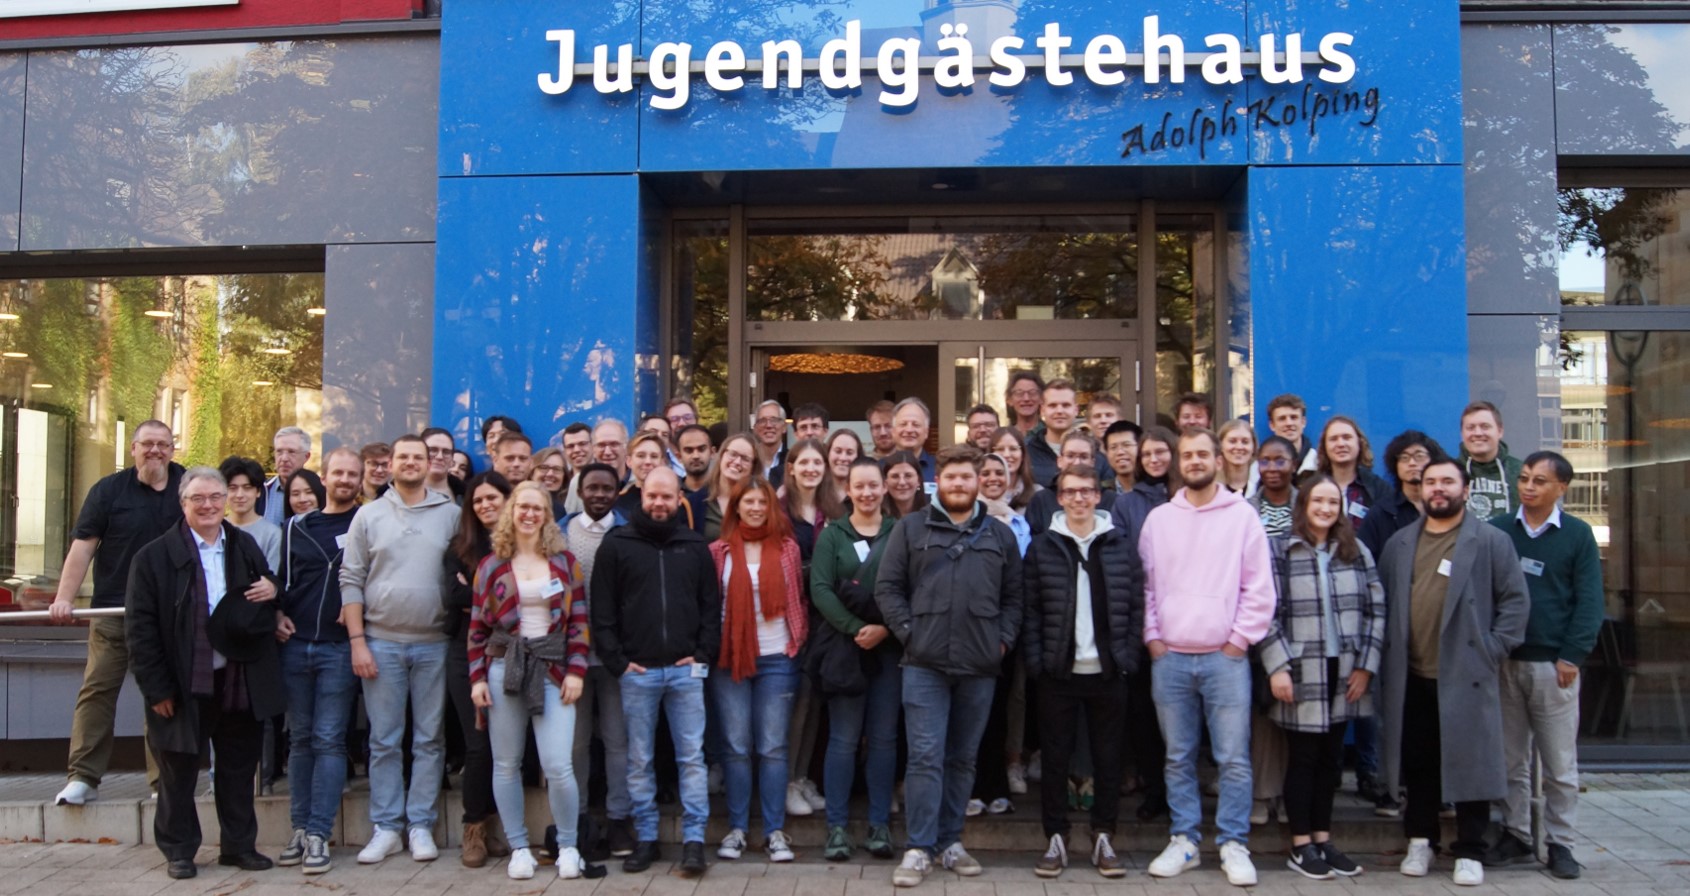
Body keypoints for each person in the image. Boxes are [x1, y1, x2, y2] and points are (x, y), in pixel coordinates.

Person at [875, 446, 1024, 888]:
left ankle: (951, 841)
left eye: (966, 477)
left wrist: (1002, 642)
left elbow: (1014, 599)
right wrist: (909, 633)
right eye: (951, 477)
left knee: (962, 759)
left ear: (979, 480)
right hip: (924, 664)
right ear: (938, 480)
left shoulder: (1000, 536)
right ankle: (919, 848)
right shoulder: (910, 528)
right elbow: (888, 589)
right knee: (925, 757)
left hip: (979, 665)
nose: (959, 484)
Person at [1377, 456, 1529, 887]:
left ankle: (1469, 849)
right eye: (1430, 482)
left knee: (1471, 764)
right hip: (1412, 676)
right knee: (1419, 764)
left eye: (1447, 481)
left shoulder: (1491, 541)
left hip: (1467, 674)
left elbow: (1516, 603)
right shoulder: (1400, 544)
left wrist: (1491, 650)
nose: (1438, 489)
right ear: (1420, 490)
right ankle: (1420, 841)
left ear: (1464, 489)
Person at [126, 466, 282, 880]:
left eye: (216, 496)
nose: (210, 505)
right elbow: (139, 631)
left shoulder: (244, 545)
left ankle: (238, 847)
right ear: (183, 503)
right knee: (177, 771)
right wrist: (155, 687)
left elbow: (265, 593)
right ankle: (179, 850)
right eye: (199, 498)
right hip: (182, 683)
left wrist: (272, 588)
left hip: (237, 679)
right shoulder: (154, 556)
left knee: (237, 768)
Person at [1139, 428, 1275, 887]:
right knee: (1178, 756)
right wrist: (1154, 637)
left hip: (1225, 658)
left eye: (1203, 454)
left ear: (1218, 460)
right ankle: (1185, 840)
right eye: (1187, 455)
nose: (1194, 461)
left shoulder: (1243, 518)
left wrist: (1239, 639)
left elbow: (1259, 588)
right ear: (1179, 462)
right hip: (1171, 657)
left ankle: (1233, 842)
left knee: (1233, 757)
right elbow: (1146, 586)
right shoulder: (1159, 519)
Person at [590, 468, 722, 877]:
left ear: (678, 497)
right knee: (639, 759)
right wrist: (616, 661)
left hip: (686, 671)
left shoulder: (694, 545)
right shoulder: (617, 544)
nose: (659, 504)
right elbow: (602, 609)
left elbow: (709, 607)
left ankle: (695, 841)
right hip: (638, 672)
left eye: (667, 497)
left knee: (691, 759)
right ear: (640, 497)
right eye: (652, 497)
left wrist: (702, 655)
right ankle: (646, 838)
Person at [339, 434, 461, 865]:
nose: (410, 463)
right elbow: (350, 579)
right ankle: (387, 827)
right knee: (384, 741)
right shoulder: (368, 516)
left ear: (431, 464)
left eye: (418, 457)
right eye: (403, 456)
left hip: (435, 645)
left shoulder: (451, 515)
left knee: (430, 740)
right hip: (381, 643)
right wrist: (358, 642)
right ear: (390, 464)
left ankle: (421, 825)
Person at [48, 420, 182, 806]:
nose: (155, 451)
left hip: (167, 615)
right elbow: (83, 548)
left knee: (162, 695)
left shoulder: (186, 488)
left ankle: (163, 783)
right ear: (133, 449)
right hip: (112, 610)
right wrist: (64, 598)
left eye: (163, 444)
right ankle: (82, 778)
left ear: (173, 449)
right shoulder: (108, 491)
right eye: (147, 444)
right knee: (97, 691)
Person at [1259, 475, 1386, 880]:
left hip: (1345, 668)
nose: (1326, 509)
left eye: (1333, 502)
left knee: (1331, 761)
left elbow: (1376, 610)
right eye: (1319, 501)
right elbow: (1266, 612)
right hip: (1300, 669)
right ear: (1304, 504)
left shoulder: (1356, 551)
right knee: (1303, 759)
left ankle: (1323, 838)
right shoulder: (1280, 549)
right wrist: (1277, 666)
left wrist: (1366, 666)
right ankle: (1300, 845)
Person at [1485, 451, 1603, 880]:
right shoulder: (1498, 530)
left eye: (1539, 481)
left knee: (1558, 764)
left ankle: (1561, 843)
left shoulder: (1577, 535)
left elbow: (1590, 601)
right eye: (1525, 479)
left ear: (1561, 488)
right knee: (1511, 760)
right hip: (1506, 664)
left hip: (1555, 667)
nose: (1529, 487)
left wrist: (1572, 655)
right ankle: (1516, 834)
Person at [1023, 464, 1144, 879]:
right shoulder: (1042, 547)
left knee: (1108, 759)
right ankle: (1055, 839)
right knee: (1055, 759)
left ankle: (1103, 835)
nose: (1078, 499)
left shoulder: (1120, 544)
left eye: (1086, 492)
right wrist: (1038, 662)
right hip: (1059, 672)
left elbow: (1135, 605)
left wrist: (1127, 657)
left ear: (1098, 496)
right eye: (1070, 492)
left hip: (1109, 672)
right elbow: (1031, 609)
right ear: (1059, 498)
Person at [468, 482, 593, 880]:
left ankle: (569, 846)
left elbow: (578, 622)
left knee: (558, 764)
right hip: (504, 667)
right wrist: (476, 680)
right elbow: (475, 630)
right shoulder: (491, 565)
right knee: (506, 764)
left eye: (537, 508)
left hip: (555, 667)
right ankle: (519, 847)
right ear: (511, 511)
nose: (529, 514)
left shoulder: (565, 562)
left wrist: (576, 670)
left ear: (546, 514)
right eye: (522, 506)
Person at [274, 447, 365, 875]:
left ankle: (317, 833)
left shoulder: (366, 523)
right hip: (296, 645)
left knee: (329, 738)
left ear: (361, 481)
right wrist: (276, 614)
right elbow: (281, 582)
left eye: (353, 474)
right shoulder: (294, 527)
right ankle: (298, 827)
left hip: (339, 647)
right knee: (301, 738)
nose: (345, 479)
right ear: (323, 478)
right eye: (338, 473)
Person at [707, 477, 808, 862]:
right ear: (735, 508)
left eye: (761, 502)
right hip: (729, 659)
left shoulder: (787, 549)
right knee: (734, 747)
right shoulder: (719, 551)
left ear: (770, 506)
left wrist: (795, 642)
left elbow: (797, 598)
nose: (754, 508)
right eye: (747, 502)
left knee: (772, 747)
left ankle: (774, 831)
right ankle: (736, 829)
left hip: (777, 658)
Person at [810, 457, 900, 862]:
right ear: (848, 490)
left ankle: (880, 824)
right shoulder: (833, 536)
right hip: (846, 650)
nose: (866, 493)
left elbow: (909, 588)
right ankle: (837, 828)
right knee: (843, 741)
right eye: (858, 486)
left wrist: (884, 629)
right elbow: (821, 589)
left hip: (889, 650)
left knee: (883, 739)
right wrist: (854, 628)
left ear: (884, 488)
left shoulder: (901, 533)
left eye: (873, 486)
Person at [1352, 429, 1444, 817]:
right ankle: (1393, 790)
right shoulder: (1382, 513)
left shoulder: (1447, 511)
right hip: (1392, 631)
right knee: (1393, 716)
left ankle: (1442, 793)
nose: (1414, 463)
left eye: (1420, 456)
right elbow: (1367, 570)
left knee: (1439, 718)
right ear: (1395, 465)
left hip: (1439, 634)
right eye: (1405, 457)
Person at [562, 464, 636, 858]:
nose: (599, 494)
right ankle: (576, 822)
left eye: (607, 488)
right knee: (575, 744)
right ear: (581, 489)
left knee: (617, 741)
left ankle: (619, 820)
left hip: (615, 657)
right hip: (570, 655)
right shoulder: (559, 532)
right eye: (592, 487)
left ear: (617, 491)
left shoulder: (627, 531)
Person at [442, 472, 514, 868]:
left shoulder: (522, 542)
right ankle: (474, 830)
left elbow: (519, 597)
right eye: (479, 501)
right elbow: (454, 597)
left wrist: (479, 597)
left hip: (511, 653)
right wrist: (495, 598)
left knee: (505, 747)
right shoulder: (459, 548)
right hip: (464, 653)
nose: (486, 506)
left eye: (493, 498)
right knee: (477, 741)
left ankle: (496, 824)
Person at [1458, 400, 1524, 520]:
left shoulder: (1520, 471)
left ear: (1500, 431)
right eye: (1470, 427)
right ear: (1462, 434)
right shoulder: (1451, 472)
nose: (1477, 433)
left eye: (1485, 426)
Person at [1316, 416, 1390, 521]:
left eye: (1347, 437)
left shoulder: (1378, 488)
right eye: (1333, 439)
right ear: (1324, 447)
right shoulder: (1313, 488)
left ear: (1359, 443)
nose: (1341, 444)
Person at [1026, 430, 1098, 534]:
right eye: (1070, 456)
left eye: (1084, 457)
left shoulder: (1109, 499)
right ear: (1059, 461)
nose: (1077, 462)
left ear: (1092, 462)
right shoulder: (1041, 500)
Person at [221, 456, 282, 570]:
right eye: (232, 488)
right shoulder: (215, 529)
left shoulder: (272, 535)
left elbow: (271, 580)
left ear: (258, 492)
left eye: (247, 488)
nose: (239, 495)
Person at [704, 432, 763, 539]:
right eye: (733, 454)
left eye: (745, 459)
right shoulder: (698, 501)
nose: (737, 462)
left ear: (753, 467)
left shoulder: (760, 504)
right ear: (721, 455)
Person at [1027, 377, 1083, 487]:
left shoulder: (1093, 453)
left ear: (1076, 410)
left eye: (1066, 405)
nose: (1059, 411)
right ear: (1042, 410)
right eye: (1053, 405)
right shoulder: (1027, 454)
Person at [260, 426, 312, 525]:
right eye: (279, 451)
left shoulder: (319, 493)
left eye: (291, 452)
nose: (284, 458)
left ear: (306, 457)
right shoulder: (262, 491)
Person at [1249, 436, 1298, 537]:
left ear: (1294, 465)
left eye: (1280, 462)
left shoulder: (1306, 505)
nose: (1272, 468)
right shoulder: (1247, 509)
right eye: (1264, 462)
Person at [1265, 394, 1319, 474]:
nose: (1289, 423)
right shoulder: (1261, 466)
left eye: (1294, 417)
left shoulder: (1319, 463)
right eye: (1282, 419)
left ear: (1303, 422)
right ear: (1272, 425)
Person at [989, 426, 1038, 508]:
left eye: (1013, 449)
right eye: (1000, 449)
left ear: (1023, 455)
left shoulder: (1038, 494)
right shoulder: (978, 495)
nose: (1007, 455)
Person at [891, 397, 936, 483]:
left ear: (926, 432)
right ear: (893, 431)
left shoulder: (940, 468)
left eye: (916, 424)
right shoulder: (879, 469)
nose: (909, 430)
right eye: (903, 424)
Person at [676, 423, 716, 504]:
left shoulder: (723, 493)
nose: (696, 456)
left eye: (701, 449)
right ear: (679, 457)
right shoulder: (672, 493)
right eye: (688, 450)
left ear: (712, 452)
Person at [881, 451, 929, 519]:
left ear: (919, 481)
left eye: (908, 476)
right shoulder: (877, 515)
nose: (902, 482)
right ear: (885, 482)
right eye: (895, 476)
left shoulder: (932, 513)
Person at [559, 421, 594, 514]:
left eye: (582, 444)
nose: (577, 450)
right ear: (564, 451)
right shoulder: (559, 484)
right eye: (570, 446)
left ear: (593, 445)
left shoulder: (607, 479)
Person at [753, 400, 789, 488]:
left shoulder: (792, 460)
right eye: (762, 420)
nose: (768, 425)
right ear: (755, 428)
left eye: (774, 420)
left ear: (784, 427)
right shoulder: (749, 460)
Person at [422, 427, 465, 502]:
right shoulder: (400, 490)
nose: (439, 457)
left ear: (452, 458)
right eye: (433, 450)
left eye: (446, 452)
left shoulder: (466, 494)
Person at [1217, 420, 1258, 497]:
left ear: (1254, 447)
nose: (1239, 447)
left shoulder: (1262, 481)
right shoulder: (1210, 483)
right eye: (1232, 441)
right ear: (1220, 445)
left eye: (1245, 442)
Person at [824, 428, 863, 509]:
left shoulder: (864, 495)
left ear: (858, 457)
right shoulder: (816, 491)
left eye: (849, 453)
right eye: (838, 451)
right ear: (828, 454)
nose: (843, 458)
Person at [1101, 420, 1141, 497]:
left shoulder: (1156, 491)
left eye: (1126, 445)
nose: (1120, 452)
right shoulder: (1100, 492)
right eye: (1113, 447)